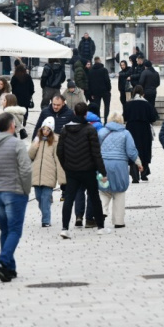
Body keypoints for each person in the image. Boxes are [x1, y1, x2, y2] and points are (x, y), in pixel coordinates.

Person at [0, 112, 33, 282]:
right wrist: (26, 189)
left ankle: (9, 268)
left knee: (5, 230)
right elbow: (26, 169)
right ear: (12, 125)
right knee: (15, 230)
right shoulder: (17, 144)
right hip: (15, 191)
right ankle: (2, 262)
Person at [57, 102, 109, 238]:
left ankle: (64, 228)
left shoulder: (65, 130)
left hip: (71, 170)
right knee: (94, 197)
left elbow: (59, 152)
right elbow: (96, 153)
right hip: (88, 170)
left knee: (69, 198)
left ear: (74, 112)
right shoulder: (90, 130)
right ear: (86, 114)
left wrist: (66, 166)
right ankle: (100, 226)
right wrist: (103, 171)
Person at [98, 112, 142, 229]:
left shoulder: (102, 132)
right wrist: (139, 163)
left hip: (103, 164)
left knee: (103, 191)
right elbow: (131, 151)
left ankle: (102, 211)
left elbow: (95, 149)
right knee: (119, 192)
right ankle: (118, 221)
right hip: (120, 166)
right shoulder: (125, 134)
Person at [29, 117, 65, 228]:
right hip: (36, 174)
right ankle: (46, 212)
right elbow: (30, 156)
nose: (45, 132)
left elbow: (58, 159)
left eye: (48, 130)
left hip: (49, 173)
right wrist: (34, 147)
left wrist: (62, 179)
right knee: (39, 197)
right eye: (44, 129)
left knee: (45, 198)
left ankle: (46, 220)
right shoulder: (37, 139)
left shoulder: (55, 140)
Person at [123, 85, 158, 183]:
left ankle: (134, 176)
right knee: (144, 149)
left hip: (131, 129)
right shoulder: (147, 104)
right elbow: (153, 117)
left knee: (132, 149)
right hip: (144, 129)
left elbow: (124, 117)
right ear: (143, 93)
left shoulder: (128, 104)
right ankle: (144, 174)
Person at [88, 56, 112, 122]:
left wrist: (91, 93)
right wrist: (109, 89)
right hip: (105, 91)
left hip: (95, 92)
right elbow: (107, 80)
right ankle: (106, 121)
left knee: (97, 107)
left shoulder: (91, 71)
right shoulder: (104, 70)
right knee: (107, 106)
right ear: (100, 61)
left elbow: (89, 83)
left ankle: (98, 120)